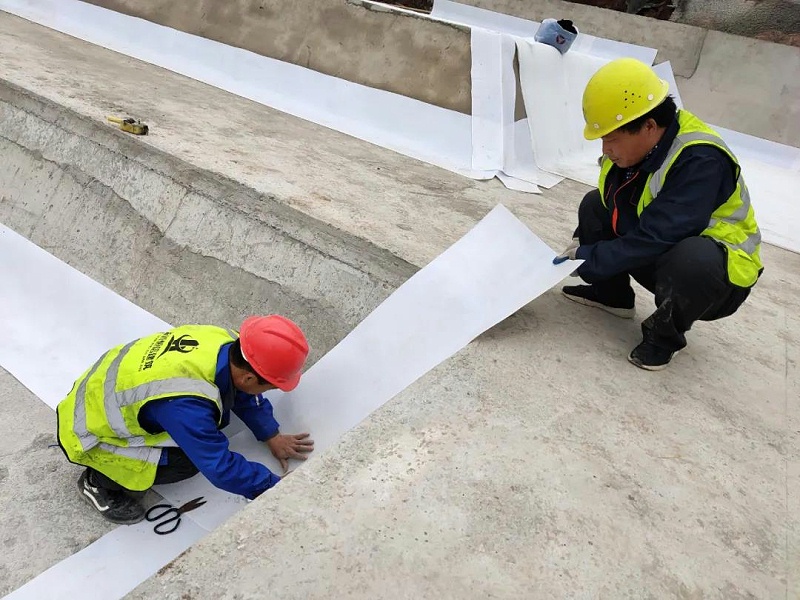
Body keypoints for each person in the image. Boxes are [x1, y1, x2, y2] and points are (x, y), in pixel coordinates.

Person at [553, 58, 762, 370]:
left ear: (649, 126)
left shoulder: (701, 160)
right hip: (666, 253)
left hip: (715, 278)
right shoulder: (640, 148)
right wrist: (589, 246)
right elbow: (624, 210)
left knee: (694, 257)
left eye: (611, 138)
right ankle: (611, 296)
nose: (605, 148)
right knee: (595, 206)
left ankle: (665, 335)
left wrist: (593, 256)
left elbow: (659, 235)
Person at [56, 315, 315, 524]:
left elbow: (244, 393)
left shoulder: (227, 343)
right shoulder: (186, 404)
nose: (266, 392)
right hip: (89, 432)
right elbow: (219, 466)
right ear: (249, 378)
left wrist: (271, 434)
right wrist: (273, 488)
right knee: (187, 463)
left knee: (201, 431)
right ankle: (97, 482)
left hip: (105, 388)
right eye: (269, 387)